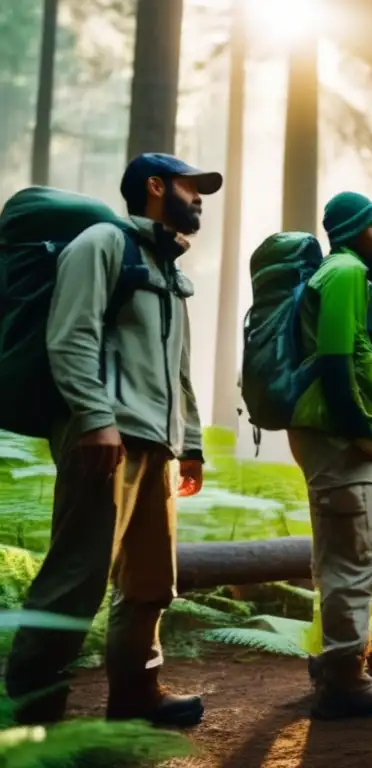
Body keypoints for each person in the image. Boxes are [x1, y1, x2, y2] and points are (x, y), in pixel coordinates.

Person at [5, 153, 219, 727]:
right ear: (154, 187)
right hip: (105, 435)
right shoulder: (102, 244)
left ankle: (135, 696)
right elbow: (69, 335)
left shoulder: (168, 265)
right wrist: (95, 417)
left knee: (150, 581)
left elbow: (179, 368)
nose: (199, 198)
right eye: (189, 186)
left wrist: (190, 441)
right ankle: (30, 716)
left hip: (157, 442)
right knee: (77, 578)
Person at [285, 191, 372, 718]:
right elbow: (336, 363)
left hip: (335, 436)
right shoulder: (342, 274)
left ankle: (340, 661)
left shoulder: (345, 277)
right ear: (352, 230)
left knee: (341, 551)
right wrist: (361, 430)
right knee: (353, 556)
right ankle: (344, 678)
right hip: (339, 437)